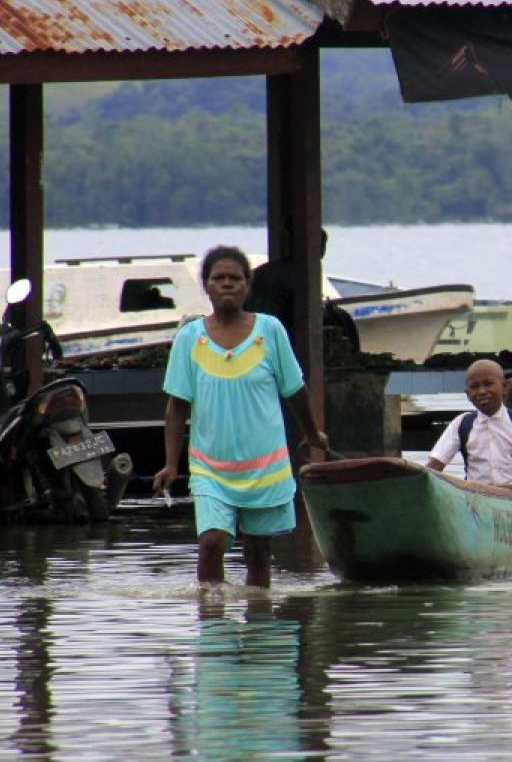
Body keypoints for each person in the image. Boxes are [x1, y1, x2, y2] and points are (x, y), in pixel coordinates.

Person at [152, 246, 329, 589]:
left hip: (264, 464)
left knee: (259, 553)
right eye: (219, 278)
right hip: (210, 467)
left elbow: (294, 389)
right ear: (206, 285)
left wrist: (312, 433)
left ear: (248, 285)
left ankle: (260, 629)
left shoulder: (270, 331)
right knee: (212, 542)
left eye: (236, 278)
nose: (228, 284)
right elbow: (176, 406)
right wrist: (171, 464)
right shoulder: (190, 338)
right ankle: (214, 628)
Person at [428, 360, 512, 498]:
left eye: (488, 384)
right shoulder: (461, 424)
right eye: (474, 387)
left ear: (504, 387)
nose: (481, 391)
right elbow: (435, 466)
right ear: (467, 394)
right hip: (477, 499)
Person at [246, 228, 360, 356]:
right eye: (320, 245)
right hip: (275, 334)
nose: (322, 251)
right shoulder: (299, 272)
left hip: (258, 330)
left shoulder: (268, 270)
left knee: (340, 317)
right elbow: (305, 313)